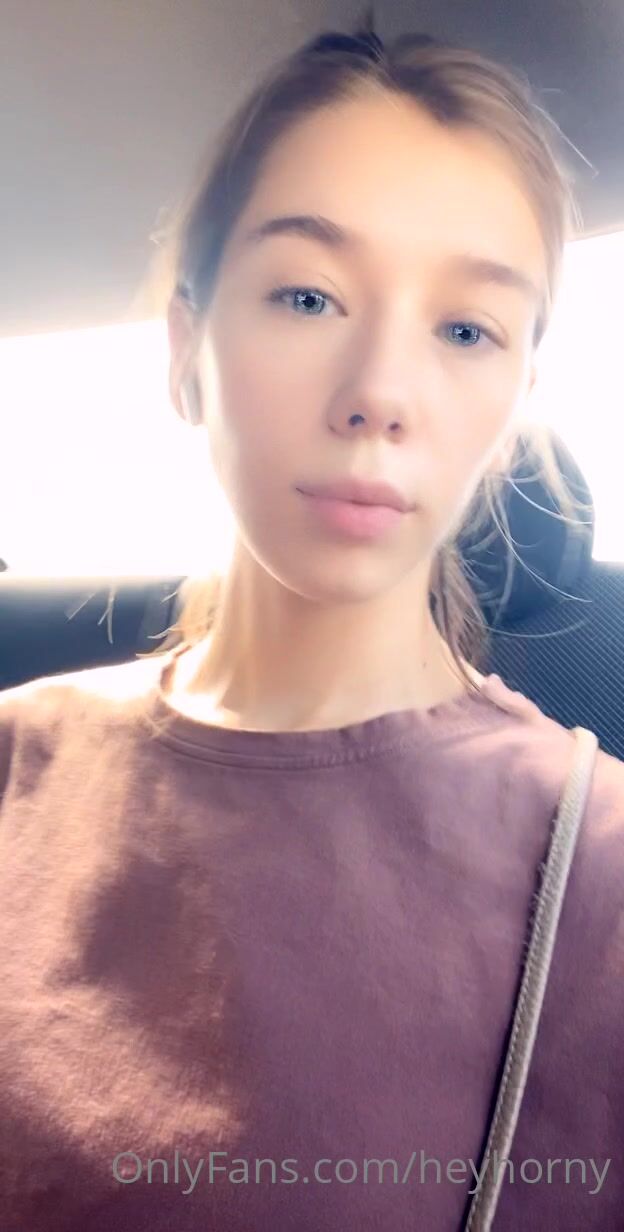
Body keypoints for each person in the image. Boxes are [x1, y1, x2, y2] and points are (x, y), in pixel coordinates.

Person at [1, 11, 623, 1232]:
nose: (380, 392)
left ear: (515, 399)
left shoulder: (599, 862)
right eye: (307, 294)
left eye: (466, 329)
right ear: (186, 347)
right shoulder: (16, 762)